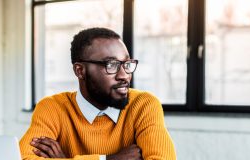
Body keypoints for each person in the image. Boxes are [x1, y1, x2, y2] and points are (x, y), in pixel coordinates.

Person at [19, 27, 176, 160]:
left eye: (126, 64)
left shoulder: (144, 105)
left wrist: (65, 159)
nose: (124, 75)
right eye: (111, 64)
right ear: (80, 71)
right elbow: (25, 157)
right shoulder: (52, 108)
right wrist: (108, 158)